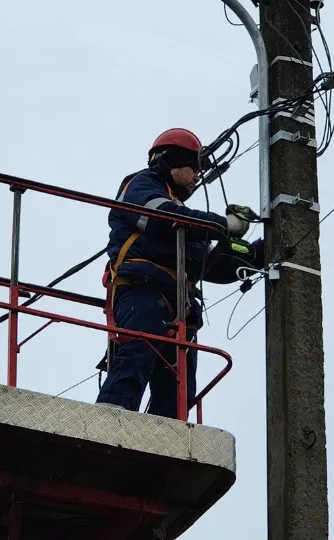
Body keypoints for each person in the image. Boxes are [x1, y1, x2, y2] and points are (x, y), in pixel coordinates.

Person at [95, 127, 265, 419]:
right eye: (195, 167)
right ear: (173, 161)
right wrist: (221, 223)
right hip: (141, 289)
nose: (198, 175)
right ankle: (108, 422)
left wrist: (258, 252)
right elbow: (157, 215)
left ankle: (166, 436)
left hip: (178, 306)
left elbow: (209, 262)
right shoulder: (142, 184)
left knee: (178, 386)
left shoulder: (183, 219)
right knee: (138, 354)